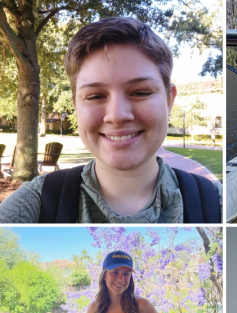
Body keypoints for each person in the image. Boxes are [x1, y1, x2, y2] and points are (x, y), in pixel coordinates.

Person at [0, 17, 222, 223]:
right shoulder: (34, 204)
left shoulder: (215, 203)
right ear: (76, 106)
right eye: (96, 96)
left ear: (169, 100)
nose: (116, 116)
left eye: (141, 92)